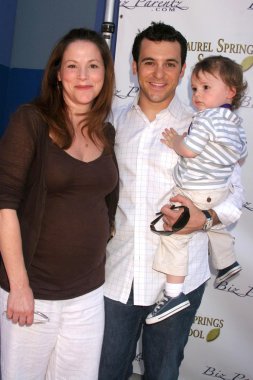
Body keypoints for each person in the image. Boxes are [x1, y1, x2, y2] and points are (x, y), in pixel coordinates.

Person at [98, 22, 244, 380]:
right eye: (149, 62)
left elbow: (234, 199)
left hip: (178, 282)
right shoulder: (111, 122)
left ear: (182, 69)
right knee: (106, 371)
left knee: (163, 373)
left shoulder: (204, 125)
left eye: (170, 64)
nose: (159, 73)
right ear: (134, 66)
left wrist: (205, 219)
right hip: (119, 273)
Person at [0, 27, 118, 379]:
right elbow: (4, 206)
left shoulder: (106, 133)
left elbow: (104, 204)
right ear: (57, 74)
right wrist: (19, 286)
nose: (83, 76)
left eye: (93, 66)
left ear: (105, 75)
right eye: (72, 66)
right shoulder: (30, 121)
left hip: (88, 295)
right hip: (34, 292)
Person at [146, 55, 247, 324]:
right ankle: (227, 263)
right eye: (193, 89)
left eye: (205, 88)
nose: (197, 96)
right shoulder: (235, 123)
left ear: (230, 91)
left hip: (197, 191)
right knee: (215, 225)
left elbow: (189, 150)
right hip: (218, 190)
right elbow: (241, 154)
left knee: (174, 234)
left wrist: (176, 140)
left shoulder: (205, 119)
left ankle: (173, 294)